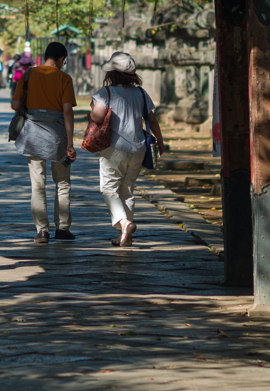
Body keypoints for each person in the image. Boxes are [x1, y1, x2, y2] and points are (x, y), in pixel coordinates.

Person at [89, 51, 165, 247]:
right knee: (127, 190)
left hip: (114, 148)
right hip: (138, 148)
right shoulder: (141, 93)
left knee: (108, 188)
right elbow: (152, 119)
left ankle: (124, 223)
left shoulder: (106, 92)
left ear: (112, 73)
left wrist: (93, 106)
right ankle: (125, 237)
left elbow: (97, 117)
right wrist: (161, 142)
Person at [11, 41, 77, 243]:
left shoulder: (28, 75)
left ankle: (42, 231)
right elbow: (67, 111)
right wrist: (70, 143)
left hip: (33, 134)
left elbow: (15, 104)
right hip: (58, 135)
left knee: (38, 184)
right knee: (62, 182)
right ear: (62, 59)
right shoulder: (64, 78)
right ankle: (63, 228)